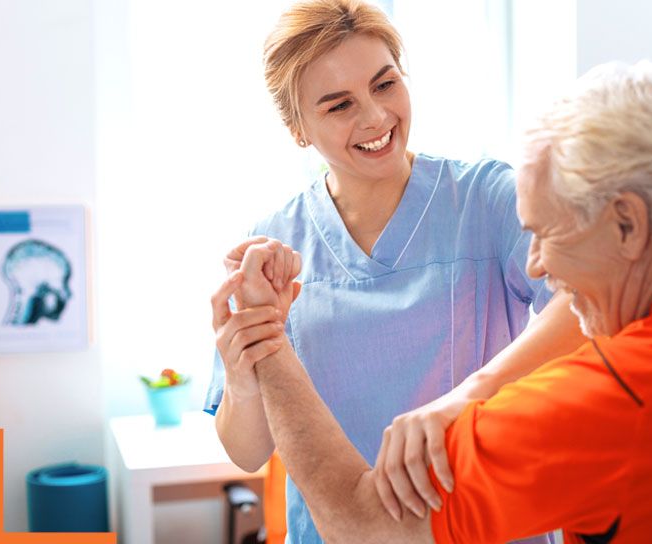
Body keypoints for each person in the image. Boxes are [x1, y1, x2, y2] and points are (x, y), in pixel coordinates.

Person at [213, 60, 652, 543]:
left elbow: (365, 524)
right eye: (338, 103)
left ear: (627, 225)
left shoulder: (600, 402)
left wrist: (268, 341)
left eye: (545, 232)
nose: (537, 264)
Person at [204, 1, 585, 542]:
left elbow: (586, 304)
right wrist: (243, 374)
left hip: (477, 524)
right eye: (339, 106)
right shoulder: (274, 243)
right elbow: (247, 452)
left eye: (384, 85)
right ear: (297, 128)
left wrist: (469, 395)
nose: (375, 118)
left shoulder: (486, 199)